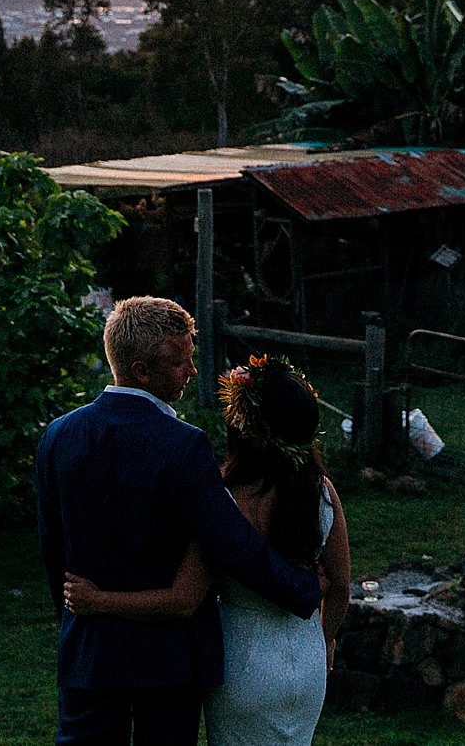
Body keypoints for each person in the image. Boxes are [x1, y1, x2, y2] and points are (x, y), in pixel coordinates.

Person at [37, 299, 325, 746]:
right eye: (179, 361)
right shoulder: (183, 445)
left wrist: (79, 622)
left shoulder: (58, 435)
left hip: (90, 651)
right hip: (167, 660)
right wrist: (304, 588)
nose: (192, 371)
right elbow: (229, 540)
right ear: (141, 370)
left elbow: (53, 551)